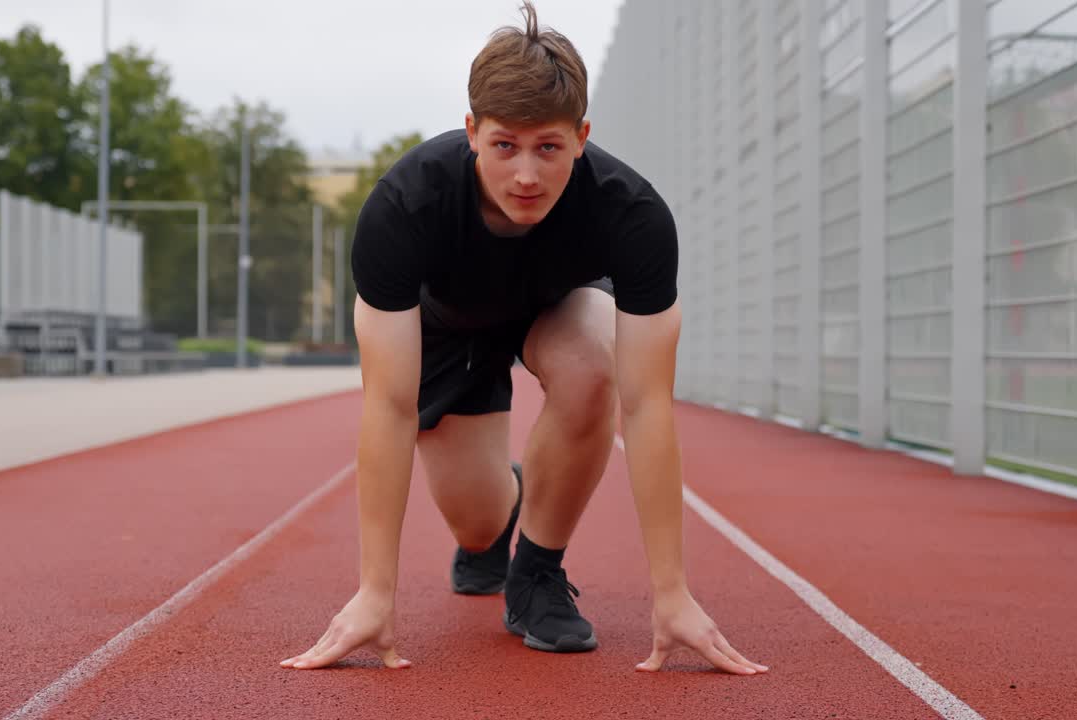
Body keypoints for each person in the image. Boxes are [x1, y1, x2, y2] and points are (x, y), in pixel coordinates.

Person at [280, 1, 769, 676]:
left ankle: (536, 573)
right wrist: (375, 592)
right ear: (472, 131)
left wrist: (672, 593)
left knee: (594, 363)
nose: (528, 176)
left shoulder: (631, 213)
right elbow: (388, 407)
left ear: (582, 134)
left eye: (550, 147)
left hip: (559, 308)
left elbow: (649, 404)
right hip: (452, 330)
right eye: (505, 146)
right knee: (477, 525)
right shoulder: (404, 208)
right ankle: (507, 508)